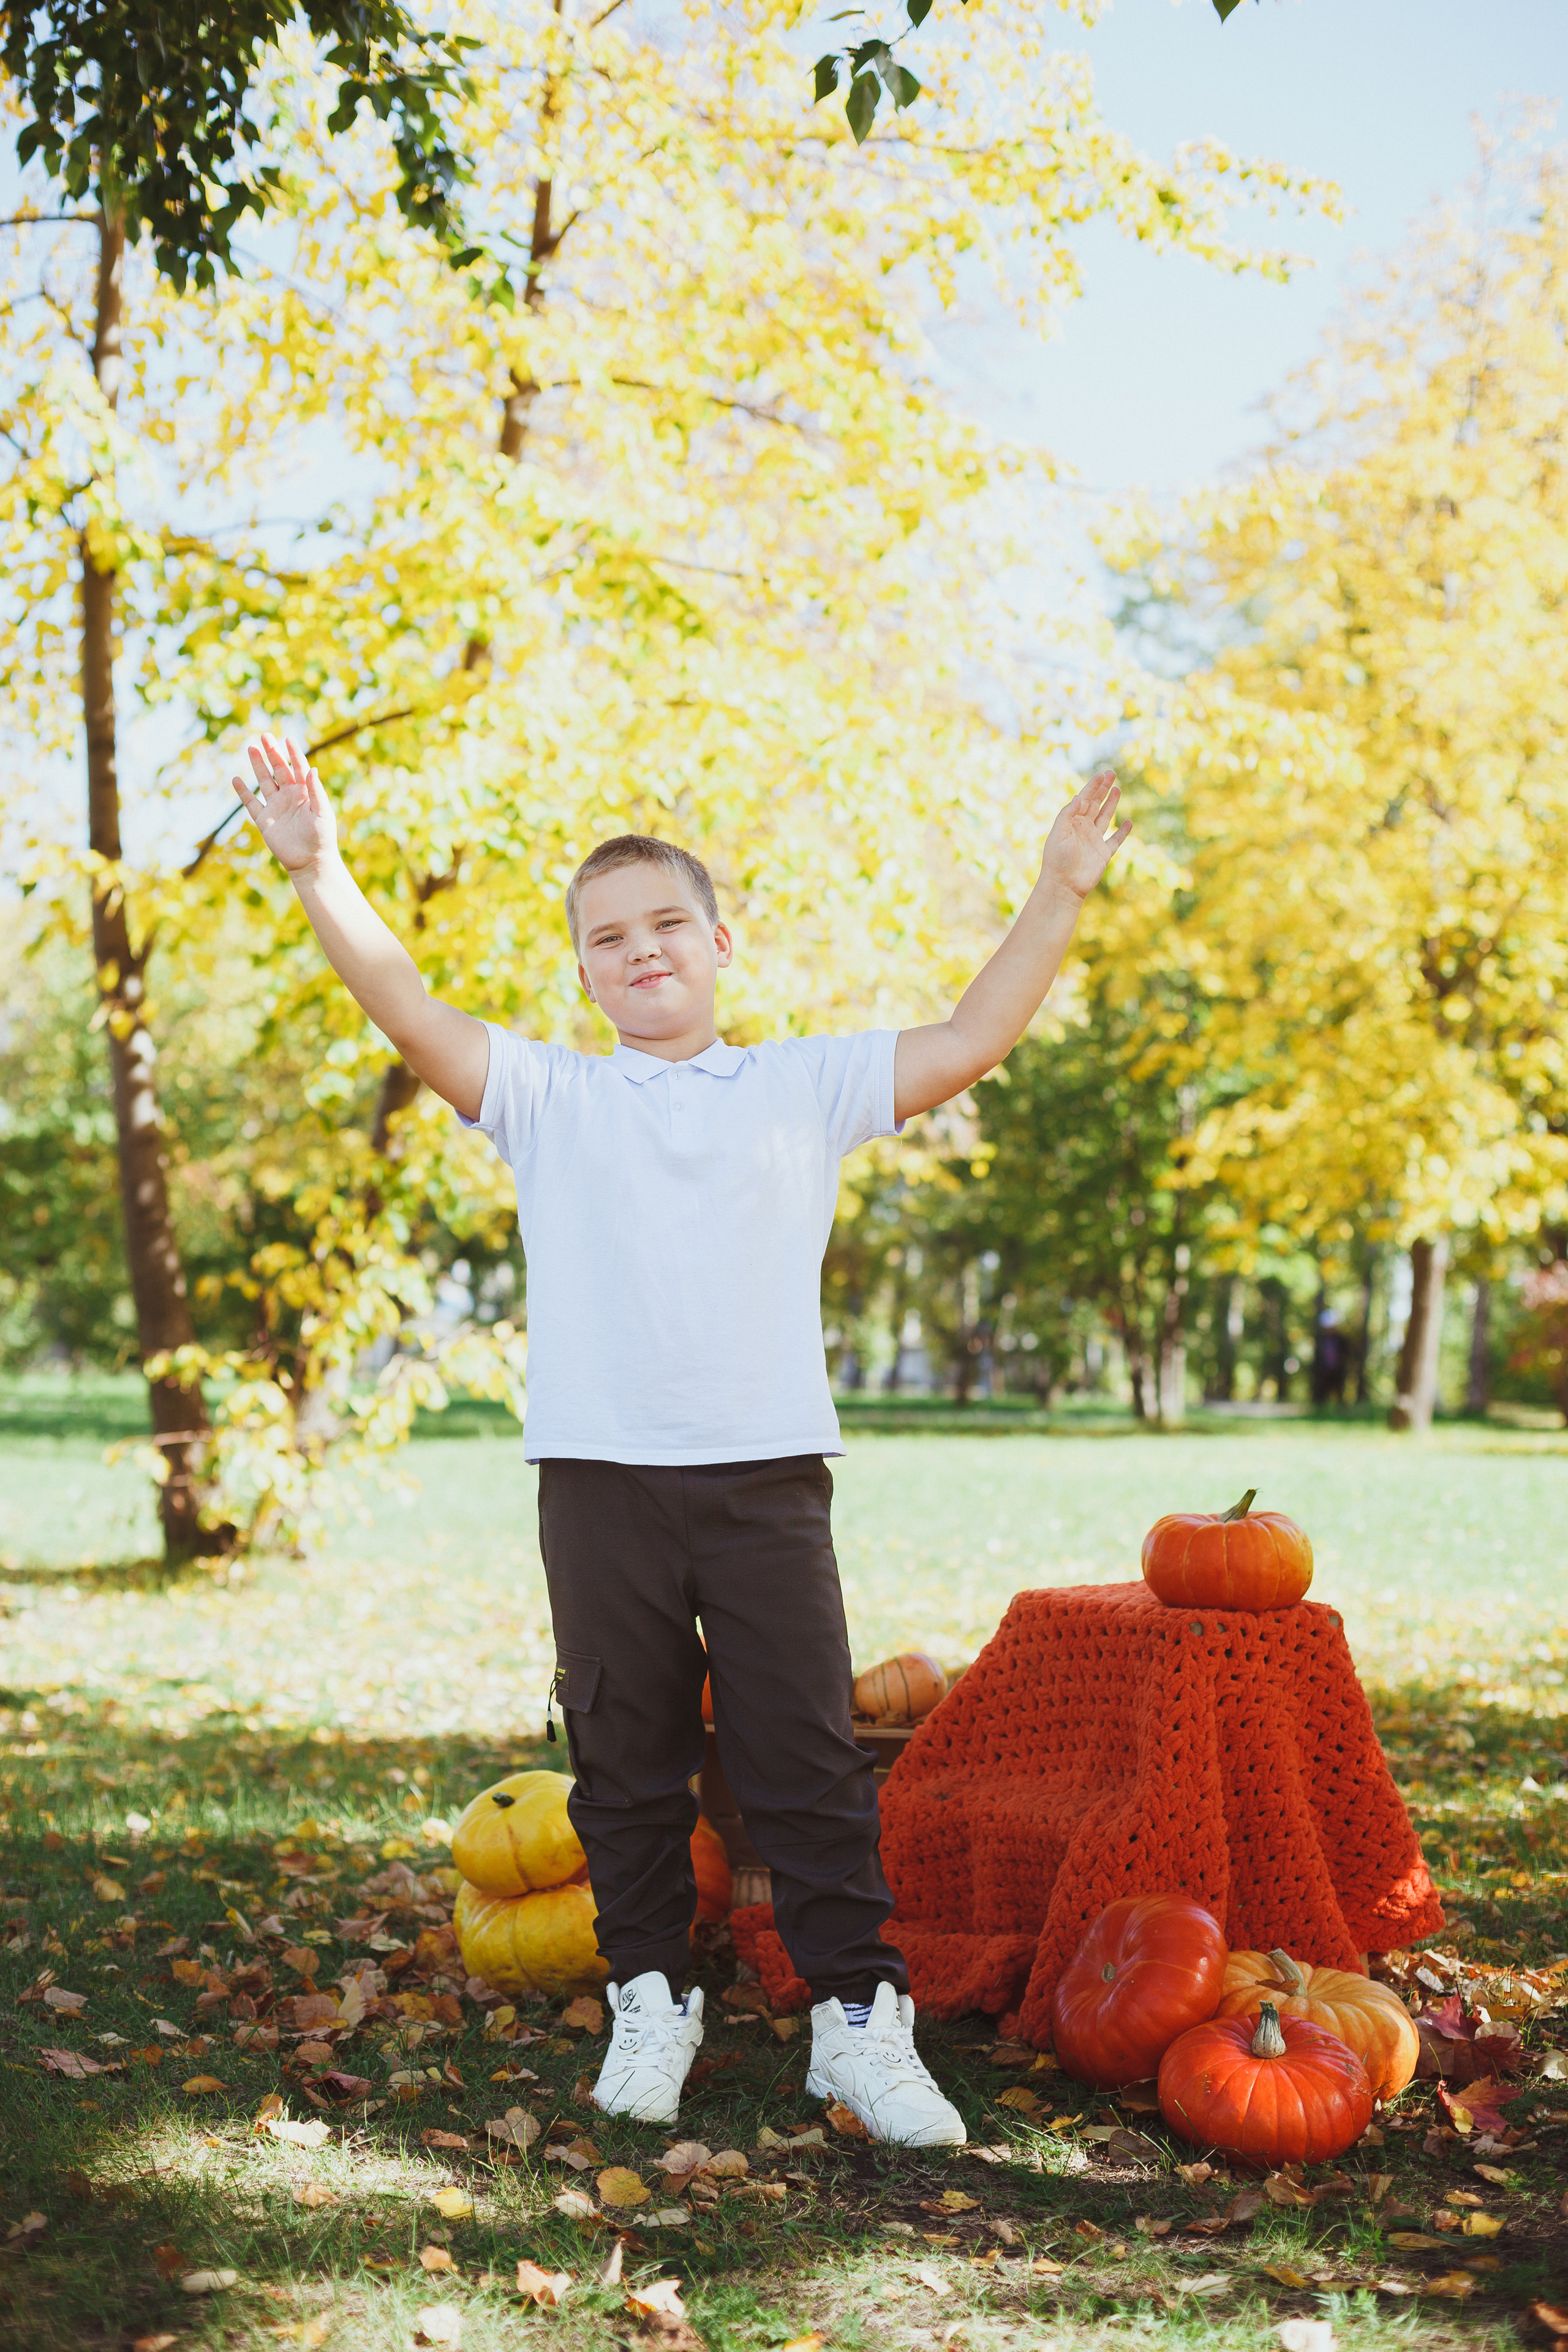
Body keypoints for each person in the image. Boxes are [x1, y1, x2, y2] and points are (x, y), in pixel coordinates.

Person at [230, 736, 1131, 2144]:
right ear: (582, 973)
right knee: (624, 1759)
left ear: (718, 944)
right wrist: (316, 866)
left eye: (663, 925)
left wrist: (1058, 889)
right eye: (607, 937)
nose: (638, 950)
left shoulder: (802, 1087)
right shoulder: (548, 1098)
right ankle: (653, 1994)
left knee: (805, 1764)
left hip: (764, 1480)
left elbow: (970, 1035)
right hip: (599, 1485)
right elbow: (406, 1009)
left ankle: (856, 2023)